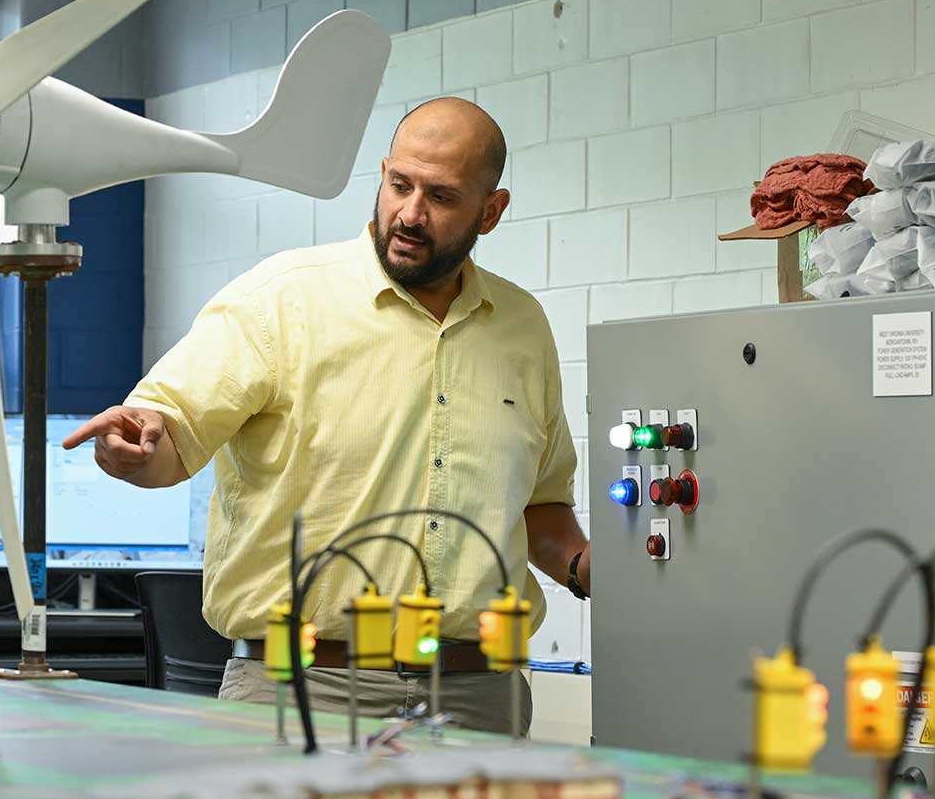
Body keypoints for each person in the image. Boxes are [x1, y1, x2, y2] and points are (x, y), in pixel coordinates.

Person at [64, 97, 590, 735]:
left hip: (479, 699)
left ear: (491, 210)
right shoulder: (281, 300)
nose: (411, 214)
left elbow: (538, 503)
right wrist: (136, 449)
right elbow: (171, 430)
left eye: (443, 197)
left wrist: (586, 568)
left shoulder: (521, 328)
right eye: (400, 185)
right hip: (300, 692)